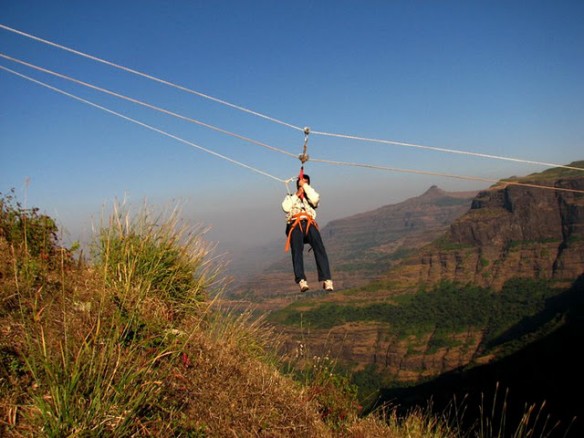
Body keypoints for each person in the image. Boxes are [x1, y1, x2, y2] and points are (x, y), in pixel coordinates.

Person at [282, 173, 334, 293]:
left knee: (319, 248)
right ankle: (301, 280)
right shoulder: (290, 197)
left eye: (305, 183)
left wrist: (305, 187)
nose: (303, 185)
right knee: (296, 250)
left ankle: (327, 279)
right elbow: (285, 207)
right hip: (295, 224)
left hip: (309, 223)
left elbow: (315, 199)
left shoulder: (310, 198)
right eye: (301, 183)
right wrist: (297, 194)